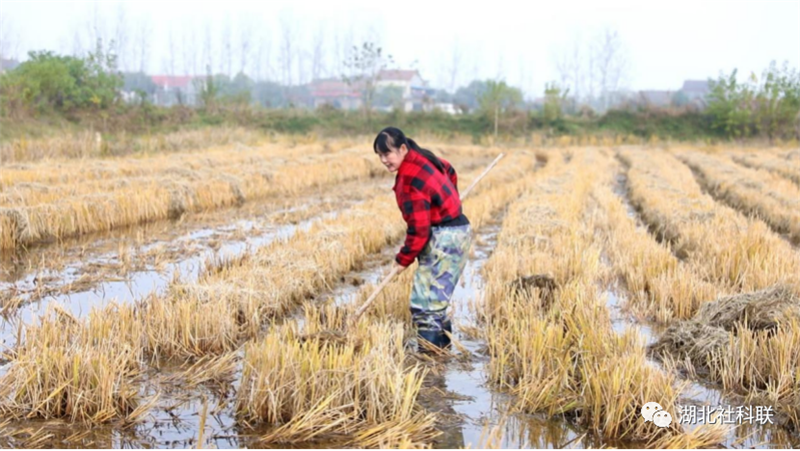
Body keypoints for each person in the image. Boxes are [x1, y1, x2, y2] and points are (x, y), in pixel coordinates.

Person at [373, 126, 472, 350]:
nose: (383, 160)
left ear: (402, 148)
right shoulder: (423, 158)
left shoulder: (409, 180)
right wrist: (447, 202)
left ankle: (430, 369)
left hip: (444, 240)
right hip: (458, 230)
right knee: (435, 302)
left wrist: (403, 259)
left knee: (425, 307)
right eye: (379, 155)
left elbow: (419, 229)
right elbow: (449, 169)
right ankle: (441, 359)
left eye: (387, 153)